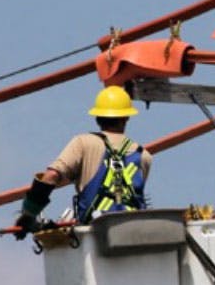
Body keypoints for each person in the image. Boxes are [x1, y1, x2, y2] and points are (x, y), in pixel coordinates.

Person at [14, 86, 152, 239]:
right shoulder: (144, 156)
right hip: (135, 235)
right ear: (127, 117)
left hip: (95, 237)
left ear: (97, 116)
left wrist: (29, 214)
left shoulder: (83, 143)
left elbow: (51, 176)